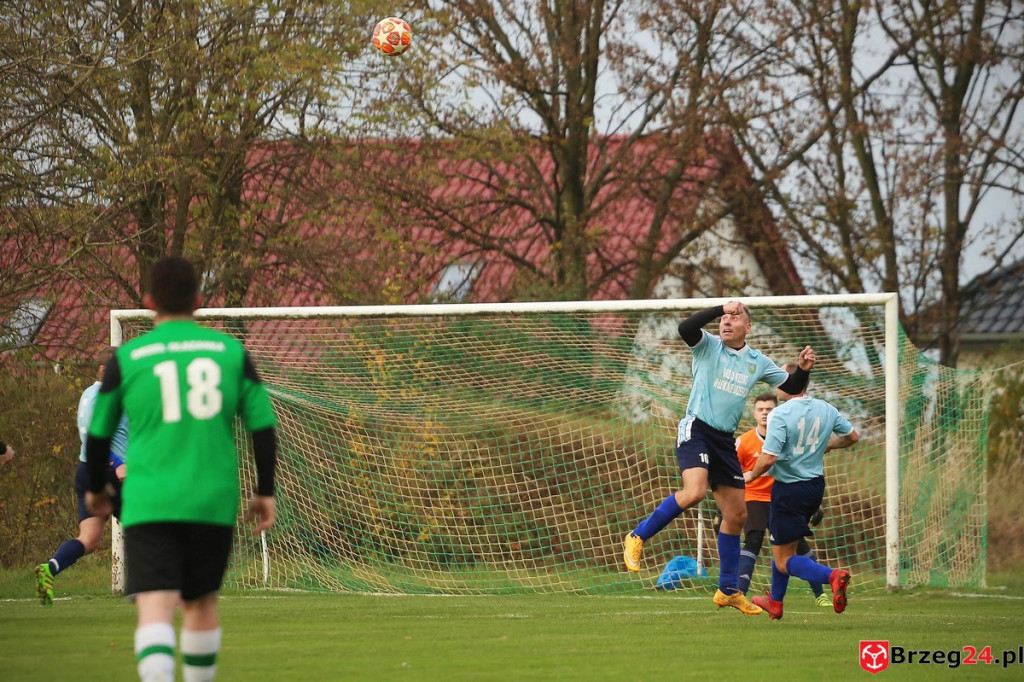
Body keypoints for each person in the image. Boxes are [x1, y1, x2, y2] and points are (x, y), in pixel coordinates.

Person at [85, 255, 279, 682]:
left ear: (149, 302)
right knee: (201, 603)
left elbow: (98, 434)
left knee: (155, 603)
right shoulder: (231, 353)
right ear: (198, 300)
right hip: (210, 500)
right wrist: (265, 491)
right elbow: (263, 427)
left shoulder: (128, 358)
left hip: (149, 499)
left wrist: (97, 488)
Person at [622, 301, 816, 615]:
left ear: (747, 328)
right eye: (723, 318)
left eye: (733, 318)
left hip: (724, 440)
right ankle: (637, 536)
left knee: (737, 515)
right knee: (695, 491)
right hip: (697, 428)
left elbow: (792, 386)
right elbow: (685, 328)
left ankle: (728, 591)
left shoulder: (756, 360)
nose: (726, 322)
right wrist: (719, 307)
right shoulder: (708, 346)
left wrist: (804, 369)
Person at [747, 366, 860, 621]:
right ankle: (775, 603)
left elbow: (769, 457)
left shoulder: (780, 414)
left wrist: (751, 476)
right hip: (814, 487)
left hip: (788, 490)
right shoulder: (826, 408)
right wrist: (826, 446)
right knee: (783, 548)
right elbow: (852, 437)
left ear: (787, 383)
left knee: (783, 560)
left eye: (778, 379)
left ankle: (832, 576)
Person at [35, 347, 129, 606]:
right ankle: (152, 587)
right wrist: (117, 463)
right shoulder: (103, 396)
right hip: (109, 472)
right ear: (103, 370)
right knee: (146, 527)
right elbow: (93, 438)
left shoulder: (89, 394)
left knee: (89, 539)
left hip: (89, 469)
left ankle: (49, 569)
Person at [733, 392, 829, 606]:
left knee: (799, 545)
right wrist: (724, 510)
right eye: (760, 409)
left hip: (784, 497)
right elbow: (733, 475)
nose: (765, 413)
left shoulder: (790, 438)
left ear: (777, 411)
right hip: (754, 498)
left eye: (769, 409)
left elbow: (805, 470)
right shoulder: (743, 442)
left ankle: (820, 594)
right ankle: (738, 594)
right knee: (753, 539)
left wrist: (815, 505)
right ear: (754, 414)